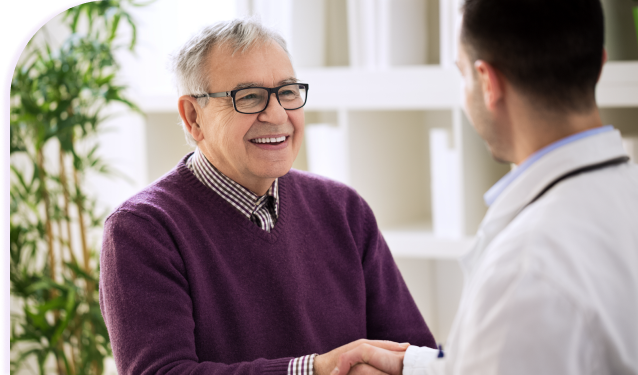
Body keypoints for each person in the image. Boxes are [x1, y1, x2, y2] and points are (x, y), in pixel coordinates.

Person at [98, 19, 437, 375]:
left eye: (288, 92)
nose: (277, 115)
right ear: (193, 117)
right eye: (248, 97)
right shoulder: (141, 231)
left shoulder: (344, 209)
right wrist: (314, 370)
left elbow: (414, 354)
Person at [331, 0, 638, 374]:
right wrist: (411, 364)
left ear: (488, 82)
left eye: (463, 74)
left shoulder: (525, 268)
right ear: (599, 65)